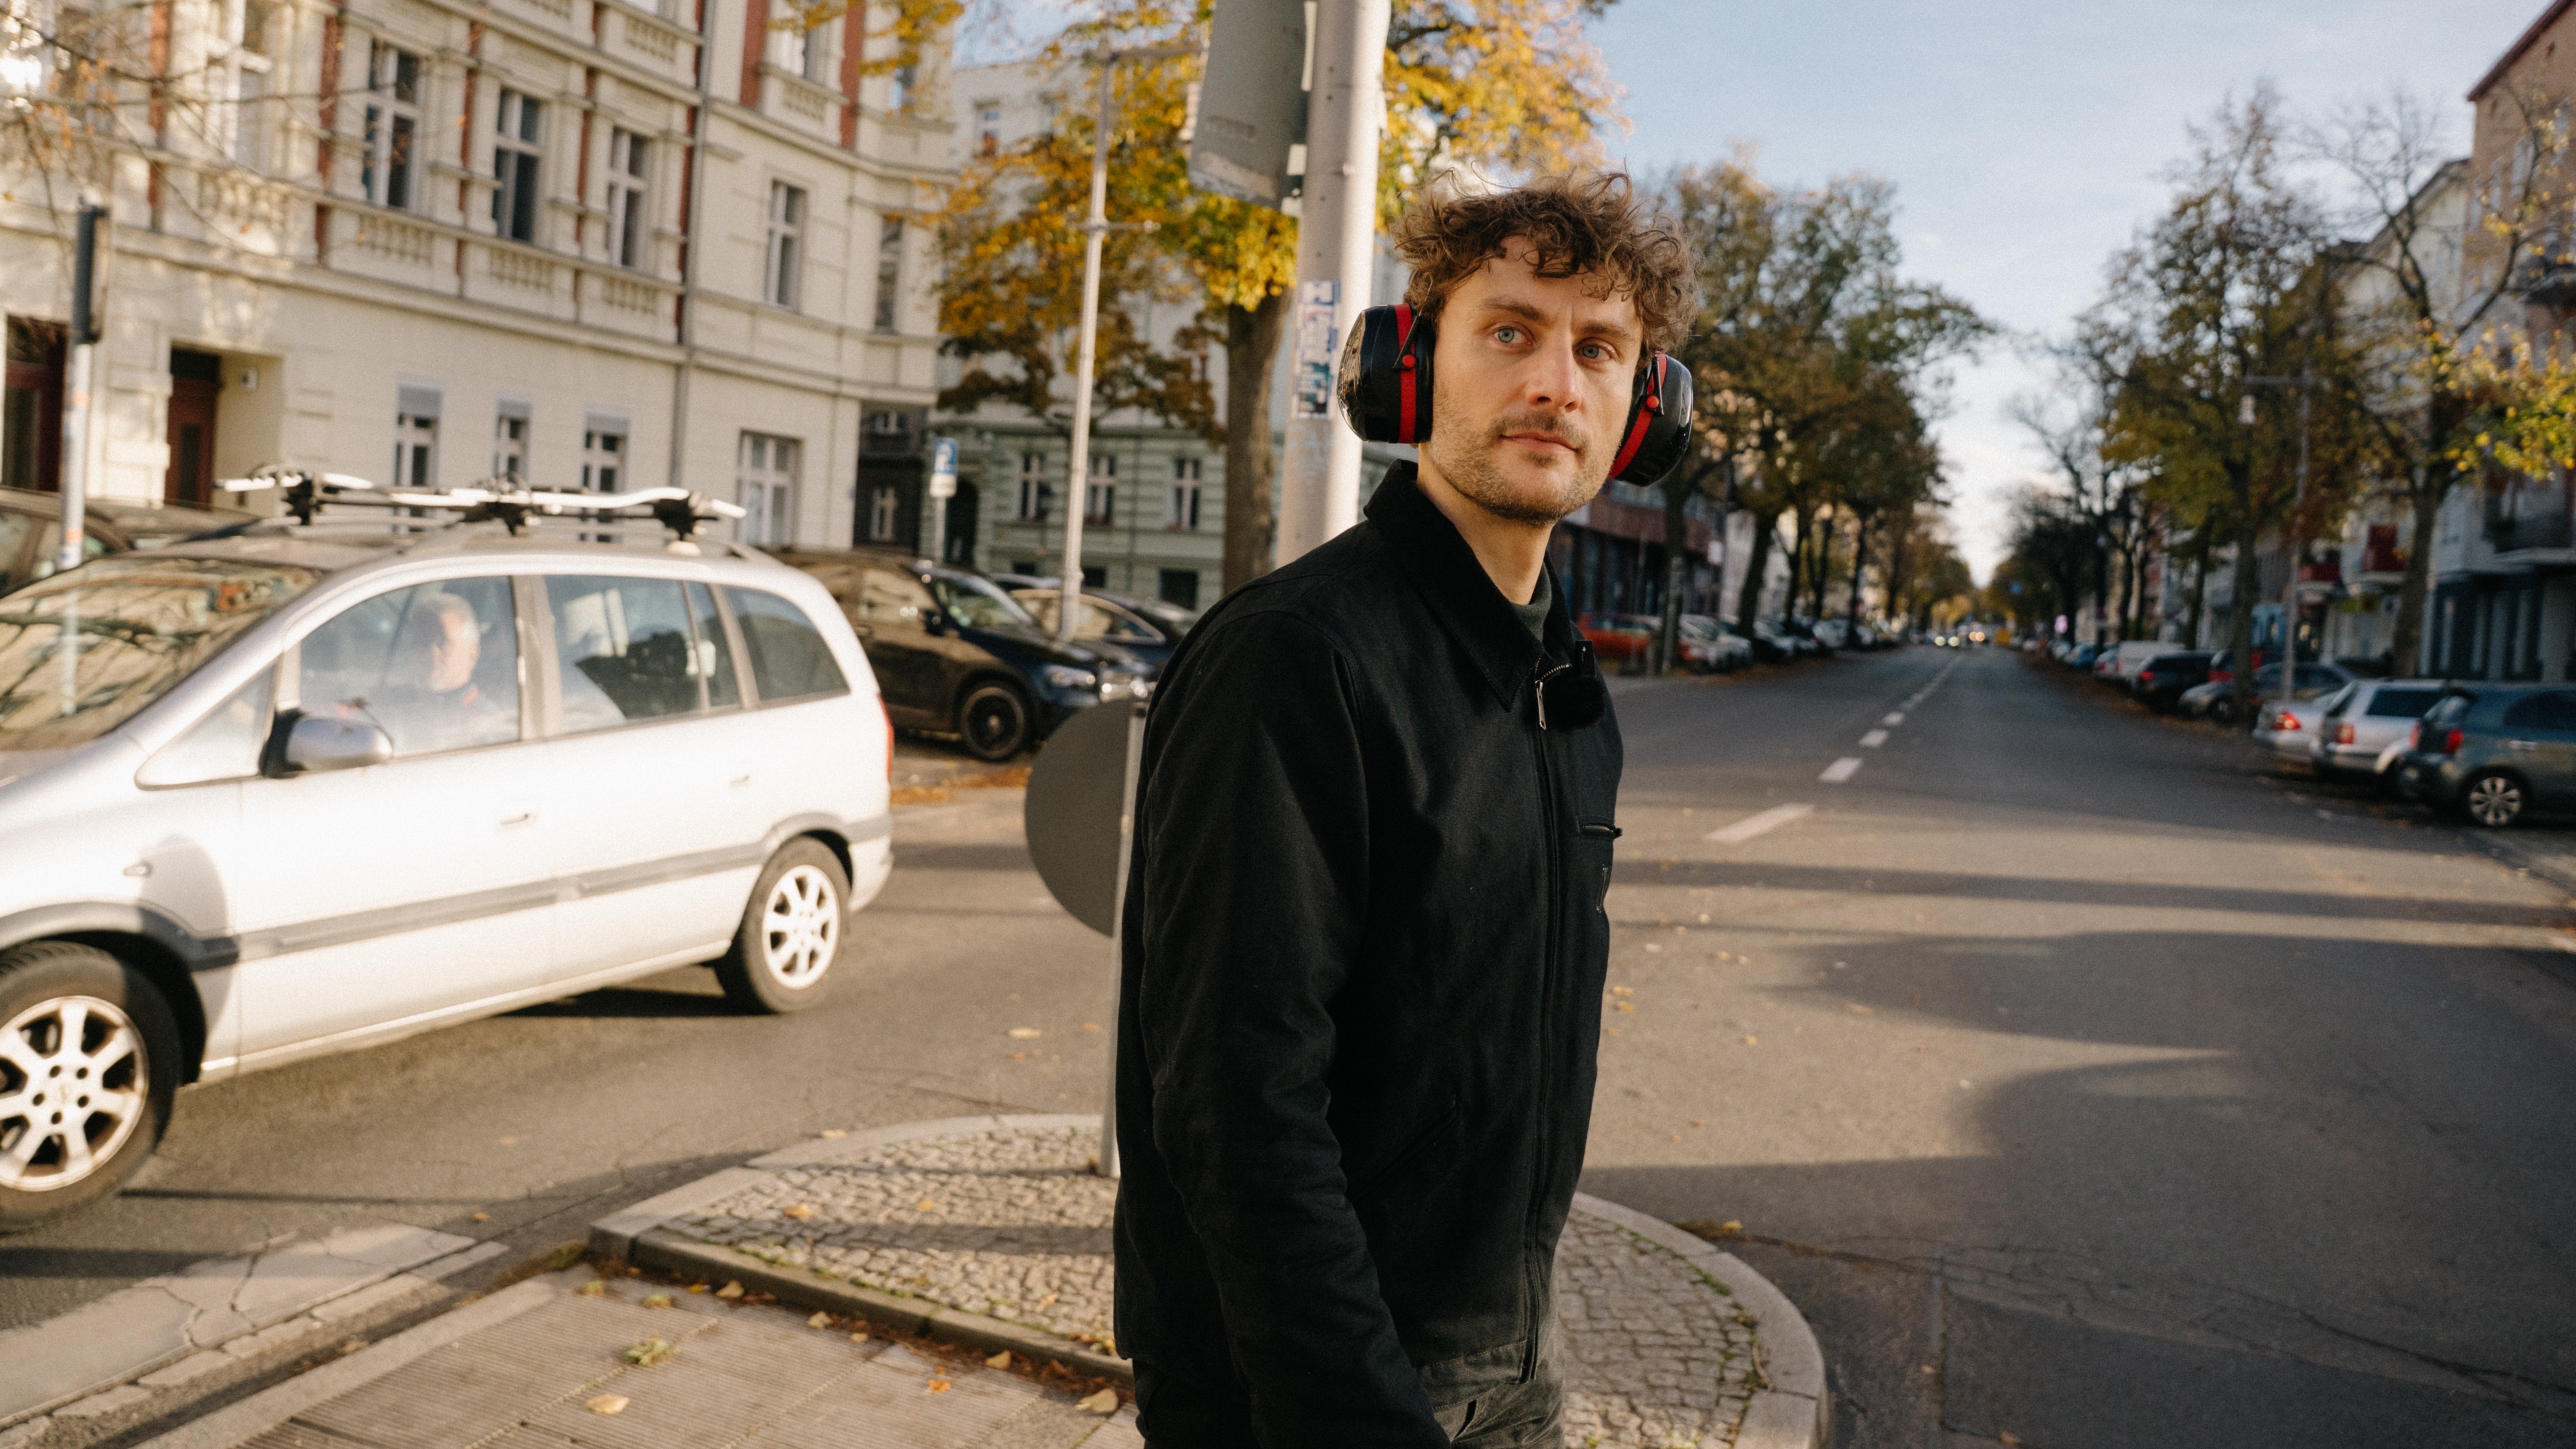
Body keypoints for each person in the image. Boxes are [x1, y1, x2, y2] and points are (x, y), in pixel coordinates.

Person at [1112, 173, 1694, 1446]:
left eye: (1597, 349)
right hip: (1304, 1403)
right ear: (1408, 368)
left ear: (1643, 410)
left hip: (1502, 1377)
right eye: (1510, 331)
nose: (1554, 383)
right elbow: (1236, 1103)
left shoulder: (1567, 690)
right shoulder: (1295, 658)